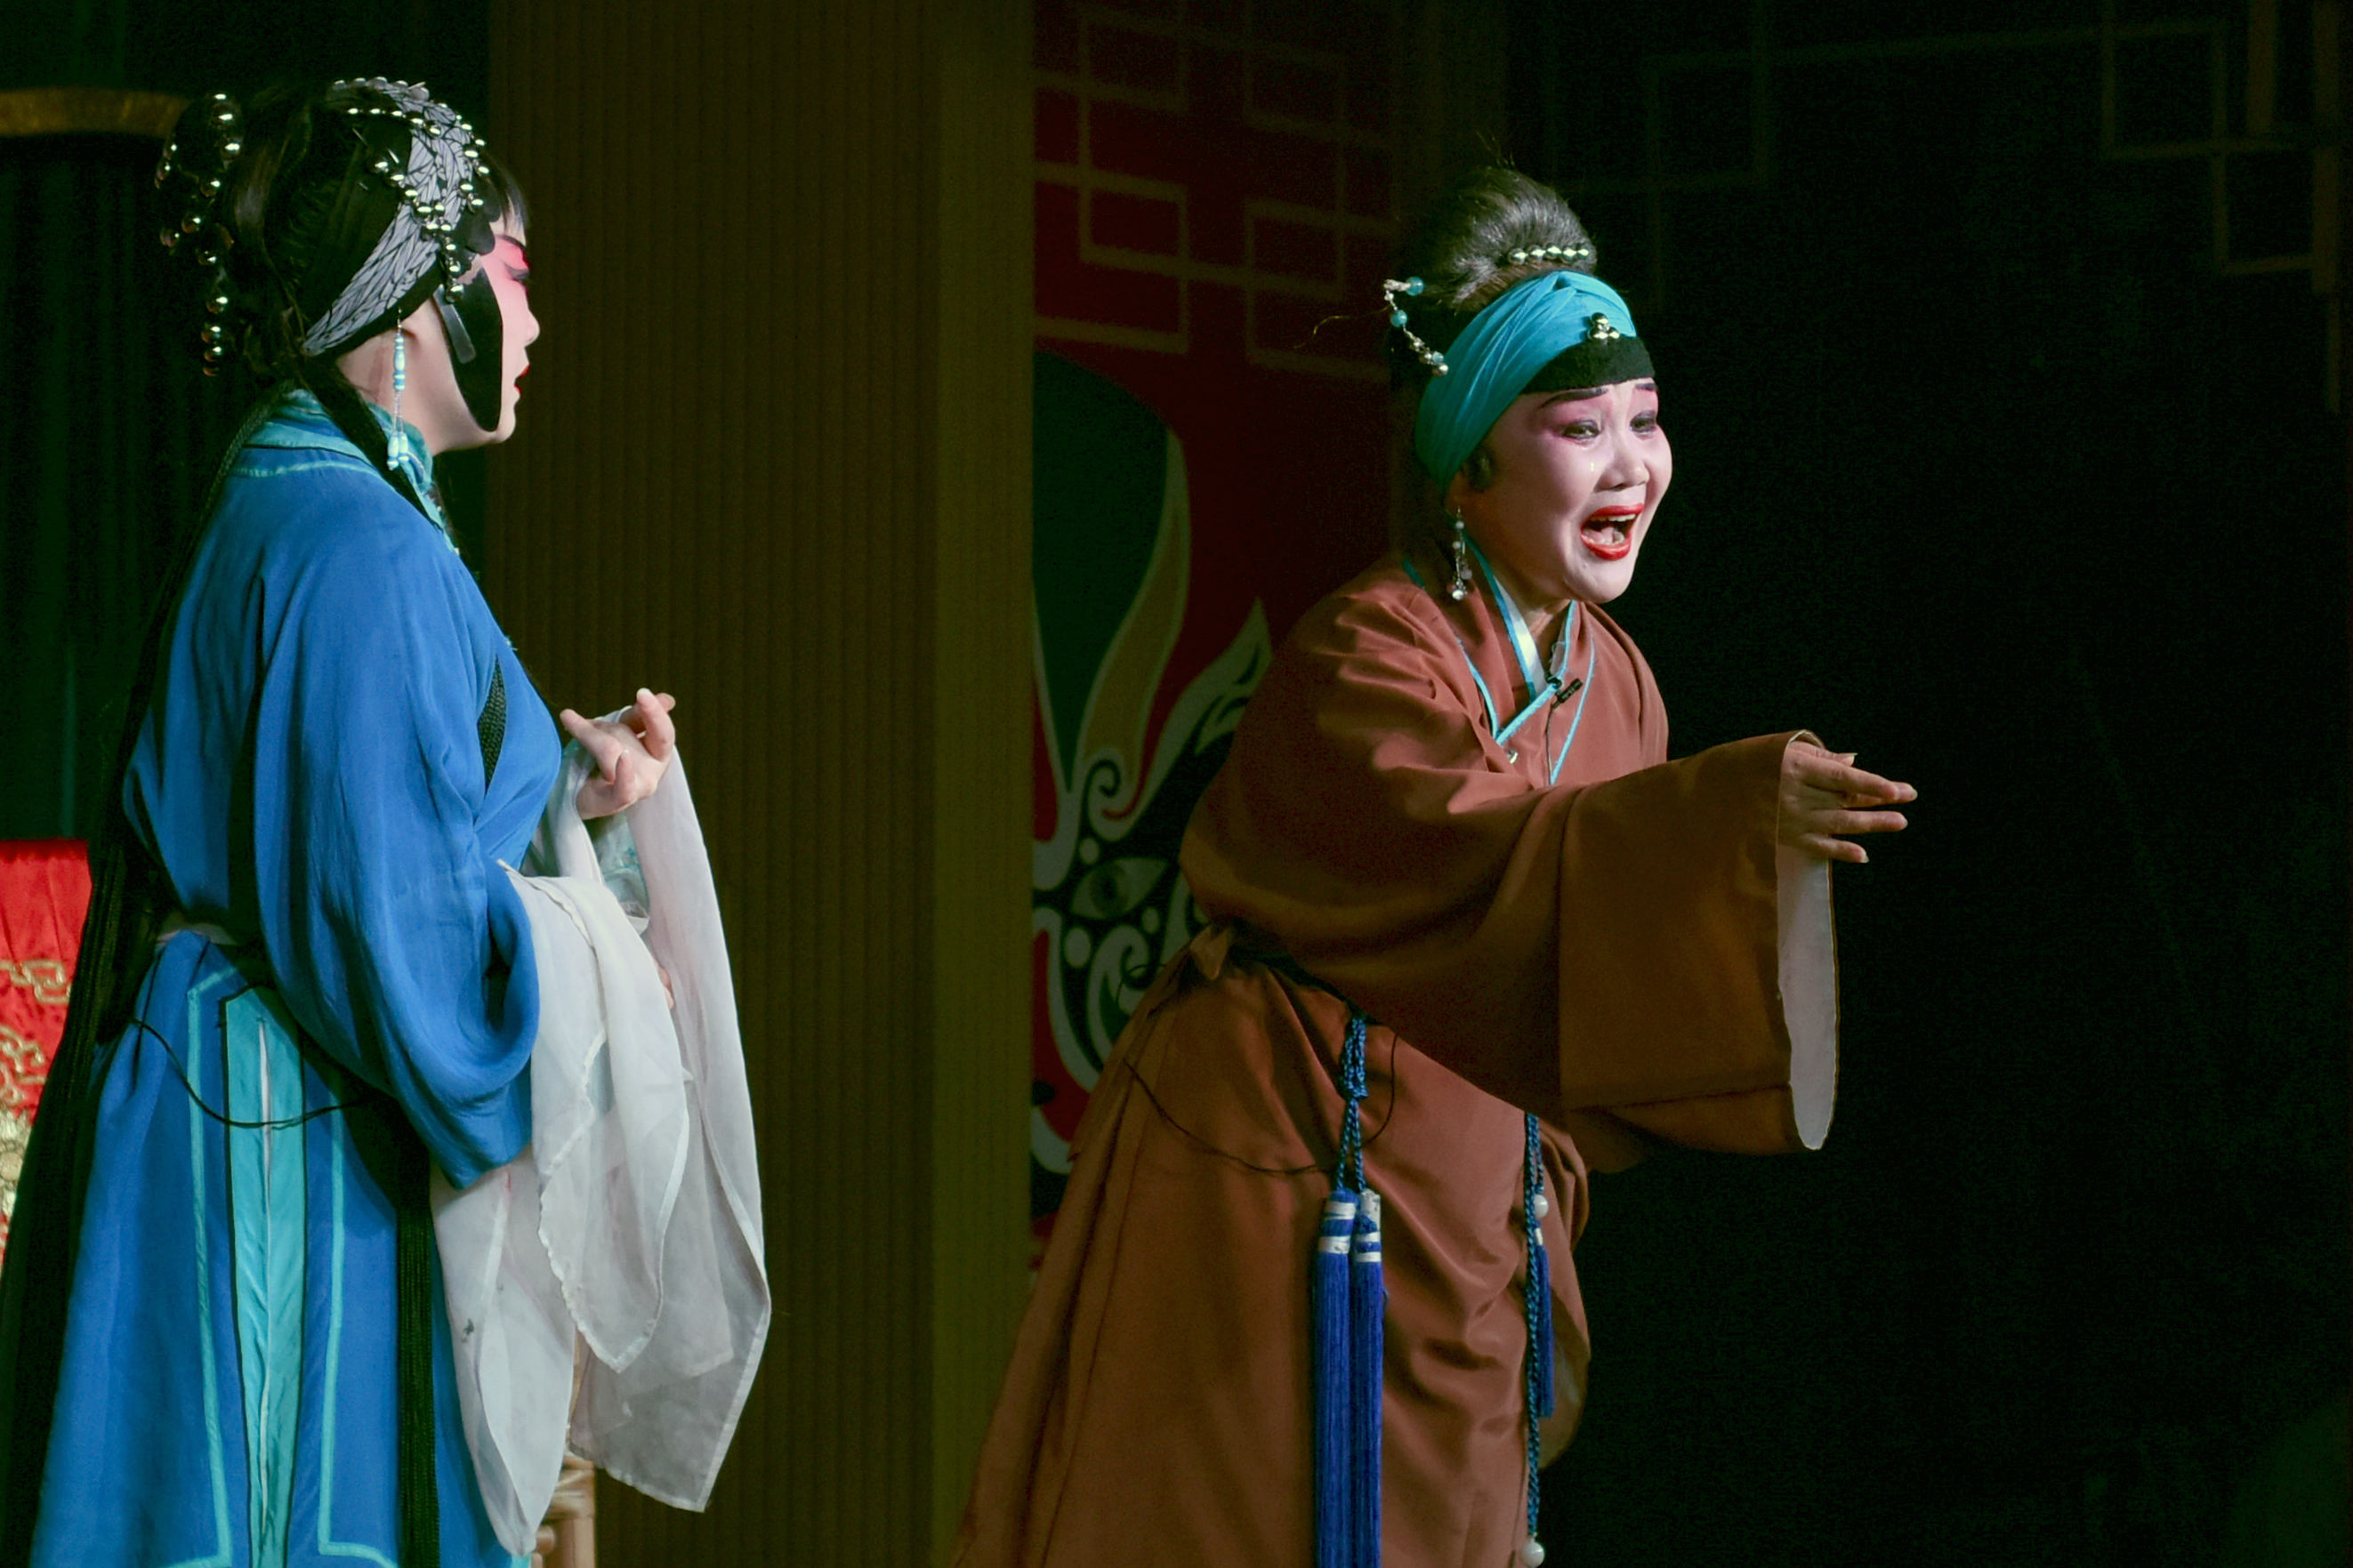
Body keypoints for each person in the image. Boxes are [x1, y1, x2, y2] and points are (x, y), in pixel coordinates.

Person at [955, 166, 1916, 1568]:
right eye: (1577, 429)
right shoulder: (1367, 655)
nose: (1630, 466)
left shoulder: (1619, 681)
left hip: (1479, 1185)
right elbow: (1477, 854)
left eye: (1644, 420)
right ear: (1469, 465)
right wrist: (1718, 821)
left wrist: (1710, 834)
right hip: (1291, 1162)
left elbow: (1598, 961)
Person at [0, 78, 765, 1568]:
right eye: (511, 276)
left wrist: (569, 805)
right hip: (279, 1135)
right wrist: (591, 952)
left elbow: (356, 832)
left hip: (229, 1095)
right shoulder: (358, 545)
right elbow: (398, 953)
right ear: (411, 304)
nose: (531, 324)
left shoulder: (300, 496)